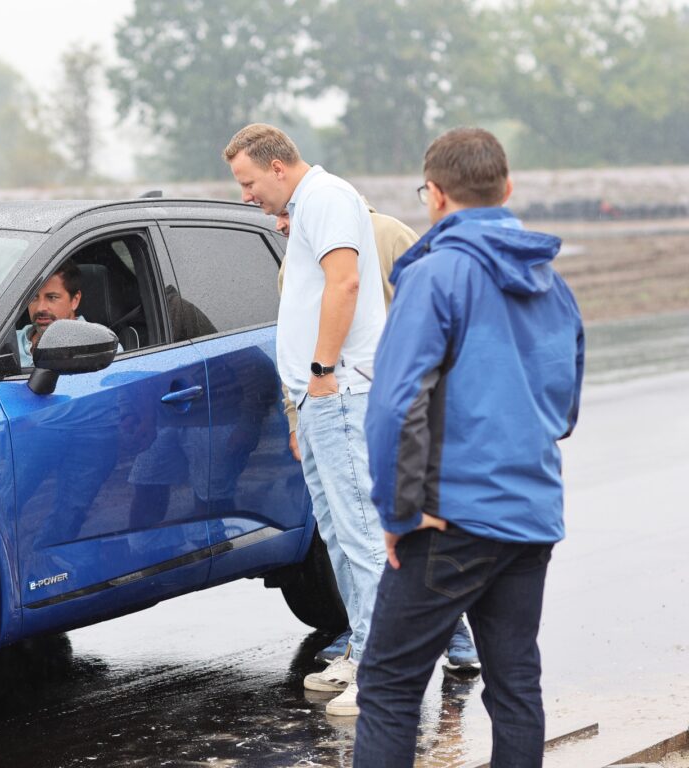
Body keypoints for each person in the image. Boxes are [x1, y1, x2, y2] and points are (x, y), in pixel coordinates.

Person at [354, 127, 584, 767]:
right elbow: (563, 411)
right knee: (516, 688)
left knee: (390, 686)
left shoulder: (435, 277)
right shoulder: (551, 284)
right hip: (530, 516)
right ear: (506, 189)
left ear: (434, 195)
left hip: (448, 518)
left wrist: (400, 513)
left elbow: (395, 405)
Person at [223, 123, 385, 717]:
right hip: (318, 400)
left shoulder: (326, 199)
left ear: (278, 167)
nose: (246, 196)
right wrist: (302, 399)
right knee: (339, 535)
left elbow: (344, 281)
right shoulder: (306, 206)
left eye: (248, 181)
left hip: (339, 391)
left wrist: (321, 371)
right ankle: (364, 649)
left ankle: (384, 672)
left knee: (360, 531)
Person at [276, 208, 481, 674]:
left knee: (410, 514)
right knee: (354, 526)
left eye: (284, 211)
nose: (276, 223)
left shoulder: (389, 235)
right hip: (331, 407)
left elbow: (438, 316)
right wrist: (295, 418)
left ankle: (451, 625)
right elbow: (290, 340)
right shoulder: (295, 257)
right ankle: (365, 627)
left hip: (399, 402)